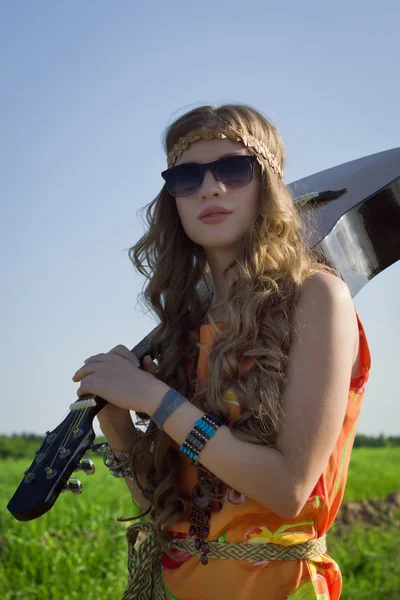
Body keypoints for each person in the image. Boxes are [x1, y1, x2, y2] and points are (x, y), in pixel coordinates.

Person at [72, 104, 371, 599]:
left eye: (233, 170)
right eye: (186, 177)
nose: (210, 188)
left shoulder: (317, 298)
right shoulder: (183, 326)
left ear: (269, 185)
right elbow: (172, 515)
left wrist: (154, 398)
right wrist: (121, 432)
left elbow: (288, 490)